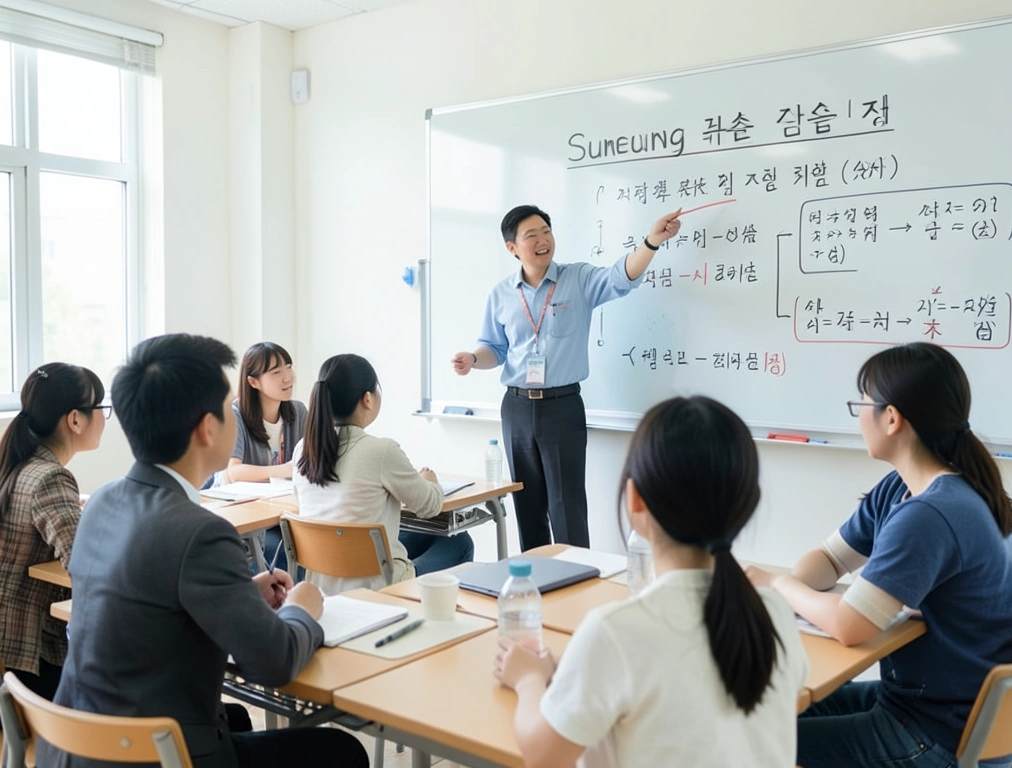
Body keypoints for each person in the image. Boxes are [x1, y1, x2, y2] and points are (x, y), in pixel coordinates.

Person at [37, 334, 366, 768]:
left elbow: (154, 595)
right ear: (207, 429)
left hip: (79, 748)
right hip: (158, 756)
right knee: (342, 751)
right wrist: (303, 607)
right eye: (228, 407)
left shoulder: (103, 501)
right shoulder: (201, 532)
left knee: (238, 721)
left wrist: (240, 592)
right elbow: (275, 662)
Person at [745, 342, 1012, 768]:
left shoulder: (930, 514)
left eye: (862, 404)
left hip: (942, 735)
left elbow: (849, 626)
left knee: (753, 741)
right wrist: (790, 588)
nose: (859, 416)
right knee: (765, 714)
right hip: (937, 707)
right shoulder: (907, 488)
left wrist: (779, 583)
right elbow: (830, 558)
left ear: (892, 418)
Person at [493, 396, 808, 768]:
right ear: (747, 504)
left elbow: (542, 756)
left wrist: (529, 680)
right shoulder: (774, 612)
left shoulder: (614, 631)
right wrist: (579, 672)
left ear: (636, 500)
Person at [452, 205, 683, 549]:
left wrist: (651, 242)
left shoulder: (578, 279)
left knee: (567, 507)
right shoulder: (501, 294)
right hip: (516, 407)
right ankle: (534, 576)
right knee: (527, 506)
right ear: (512, 247)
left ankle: (577, 577)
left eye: (546, 231)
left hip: (562, 406)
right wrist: (473, 359)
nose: (543, 240)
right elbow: (494, 349)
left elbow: (621, 278)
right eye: (532, 235)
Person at [0, 363, 107, 728]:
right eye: (101, 409)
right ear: (75, 420)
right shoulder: (51, 477)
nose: (104, 419)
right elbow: (89, 568)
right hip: (6, 688)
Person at [294, 353, 474, 595]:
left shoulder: (303, 449)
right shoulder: (381, 451)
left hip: (323, 586)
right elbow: (429, 506)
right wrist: (430, 482)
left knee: (407, 537)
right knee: (459, 541)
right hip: (380, 587)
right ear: (367, 399)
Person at [210, 342, 307, 573]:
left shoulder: (298, 412)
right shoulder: (235, 415)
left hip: (283, 512)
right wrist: (286, 469)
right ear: (253, 382)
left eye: (288, 366)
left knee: (307, 546)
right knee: (282, 553)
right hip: (242, 515)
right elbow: (234, 472)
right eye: (276, 372)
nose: (287, 377)